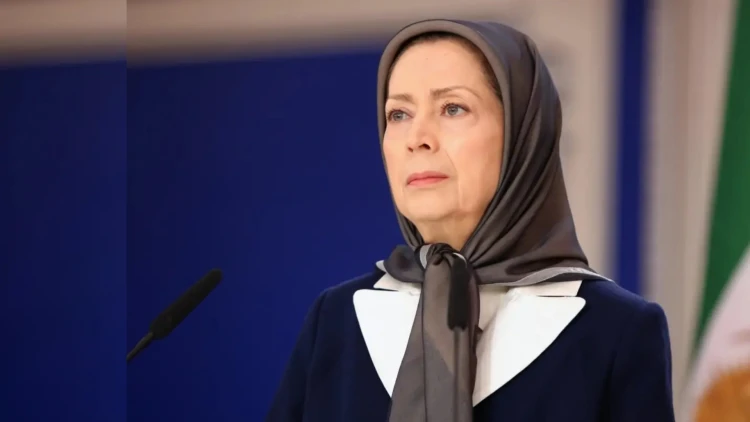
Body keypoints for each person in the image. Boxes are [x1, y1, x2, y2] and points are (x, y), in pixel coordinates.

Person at [266, 19, 675, 422]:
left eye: (452, 108)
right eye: (399, 114)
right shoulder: (336, 320)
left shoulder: (617, 331)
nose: (417, 138)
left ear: (522, 134)